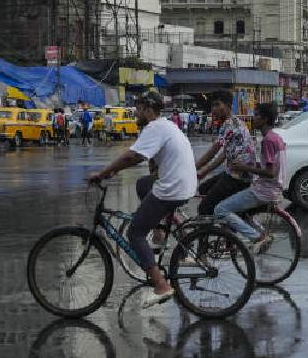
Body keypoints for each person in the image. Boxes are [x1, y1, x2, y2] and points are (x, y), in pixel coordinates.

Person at [88, 89, 197, 308]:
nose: (135, 113)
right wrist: (114, 170)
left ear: (148, 110)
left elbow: (132, 155)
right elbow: (141, 159)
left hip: (173, 188)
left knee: (135, 232)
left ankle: (161, 286)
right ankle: (158, 230)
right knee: (143, 184)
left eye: (138, 109)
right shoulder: (166, 125)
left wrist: (104, 172)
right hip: (183, 184)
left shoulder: (154, 127)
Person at [214, 103, 285, 252]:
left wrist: (244, 167)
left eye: (257, 115)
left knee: (220, 209)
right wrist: (252, 164)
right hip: (273, 188)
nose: (253, 118)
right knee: (239, 211)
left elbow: (270, 172)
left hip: (264, 191)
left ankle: (257, 237)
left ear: (265, 119)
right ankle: (261, 234)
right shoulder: (276, 138)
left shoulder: (268, 140)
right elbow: (270, 166)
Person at [195, 91, 256, 216]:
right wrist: (205, 171)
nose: (214, 109)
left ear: (228, 106)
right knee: (203, 188)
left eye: (217, 105)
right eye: (213, 105)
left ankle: (219, 224)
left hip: (238, 177)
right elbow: (224, 154)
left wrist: (193, 168)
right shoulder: (236, 122)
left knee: (204, 208)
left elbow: (214, 150)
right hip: (235, 173)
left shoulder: (229, 124)